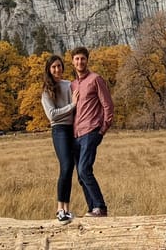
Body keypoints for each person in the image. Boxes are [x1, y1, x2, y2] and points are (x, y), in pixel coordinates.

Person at [70, 46, 114, 217]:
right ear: (73, 62)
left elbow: (108, 105)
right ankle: (92, 209)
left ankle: (100, 207)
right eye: (77, 59)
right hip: (76, 134)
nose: (80, 62)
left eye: (83, 58)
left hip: (91, 131)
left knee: (84, 169)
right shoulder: (73, 85)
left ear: (87, 60)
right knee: (81, 176)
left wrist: (103, 129)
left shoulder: (96, 79)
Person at [41, 54, 79, 223]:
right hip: (59, 131)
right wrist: (72, 106)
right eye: (53, 67)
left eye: (59, 66)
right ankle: (59, 209)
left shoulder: (69, 85)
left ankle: (67, 209)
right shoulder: (46, 91)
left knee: (70, 169)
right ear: (49, 70)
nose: (57, 69)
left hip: (73, 129)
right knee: (66, 165)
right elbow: (52, 115)